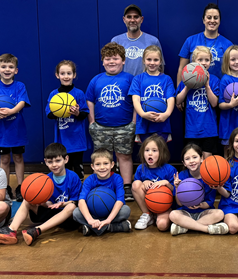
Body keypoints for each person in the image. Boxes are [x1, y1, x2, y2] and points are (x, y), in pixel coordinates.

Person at [0, 143, 82, 246]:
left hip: (67, 217)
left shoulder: (73, 177)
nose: (54, 165)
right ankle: (11, 230)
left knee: (71, 207)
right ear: (45, 162)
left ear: (66, 159)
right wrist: (45, 203)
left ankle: (37, 231)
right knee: (28, 199)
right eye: (50, 162)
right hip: (51, 212)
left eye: (58, 161)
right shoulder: (45, 179)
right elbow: (47, 201)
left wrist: (63, 204)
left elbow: (75, 202)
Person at [86, 42, 137, 201]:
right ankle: (104, 186)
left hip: (125, 126)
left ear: (123, 60)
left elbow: (137, 101)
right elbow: (90, 100)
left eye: (115, 58)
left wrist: (134, 122)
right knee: (103, 158)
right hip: (101, 127)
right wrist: (92, 122)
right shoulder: (96, 80)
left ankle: (126, 186)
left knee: (124, 156)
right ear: (102, 61)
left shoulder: (130, 79)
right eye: (108, 59)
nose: (111, 62)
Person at [0, 53, 31, 202]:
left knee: (18, 157)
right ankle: (5, 187)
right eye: (3, 67)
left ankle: (21, 187)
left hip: (16, 131)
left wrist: (12, 111)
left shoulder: (20, 86)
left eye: (10, 67)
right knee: (4, 159)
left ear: (16, 70)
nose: (7, 69)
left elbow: (22, 102)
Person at [168, 143, 229, 235]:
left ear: (201, 158)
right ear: (184, 163)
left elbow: (209, 203)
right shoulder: (181, 176)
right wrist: (177, 188)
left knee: (220, 213)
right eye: (187, 159)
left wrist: (200, 205)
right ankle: (206, 229)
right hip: (186, 212)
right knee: (172, 214)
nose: (191, 161)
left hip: (203, 212)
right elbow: (179, 203)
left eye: (194, 157)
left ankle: (186, 227)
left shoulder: (209, 176)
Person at [45, 60, 90, 179]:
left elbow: (85, 114)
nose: (66, 76)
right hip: (62, 140)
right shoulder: (54, 95)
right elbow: (49, 114)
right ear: (57, 75)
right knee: (65, 169)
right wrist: (59, 111)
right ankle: (66, 192)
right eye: (63, 73)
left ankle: (79, 192)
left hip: (77, 140)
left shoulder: (79, 93)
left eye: (69, 73)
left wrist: (77, 113)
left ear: (74, 75)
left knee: (77, 168)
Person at [176, 46, 222, 158]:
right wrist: (187, 87)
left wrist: (207, 86)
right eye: (200, 60)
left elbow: (215, 103)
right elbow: (177, 100)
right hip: (192, 129)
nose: (203, 63)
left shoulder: (215, 80)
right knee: (192, 158)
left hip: (209, 129)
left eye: (207, 60)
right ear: (193, 61)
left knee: (207, 160)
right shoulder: (186, 78)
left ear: (211, 62)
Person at [74, 149, 133, 235]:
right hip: (93, 214)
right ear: (92, 166)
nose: (102, 167)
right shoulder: (89, 180)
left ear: (112, 164)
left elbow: (120, 201)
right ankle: (111, 227)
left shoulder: (117, 178)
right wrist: (90, 220)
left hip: (111, 213)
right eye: (98, 164)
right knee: (76, 213)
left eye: (106, 163)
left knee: (126, 210)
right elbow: (81, 201)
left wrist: (108, 220)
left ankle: (94, 228)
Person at [130, 45, 176, 145]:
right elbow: (136, 100)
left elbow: (171, 99)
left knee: (161, 153)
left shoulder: (166, 79)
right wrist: (142, 114)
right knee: (146, 153)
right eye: (149, 59)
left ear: (160, 61)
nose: (152, 63)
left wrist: (166, 114)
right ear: (143, 60)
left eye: (156, 60)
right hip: (143, 124)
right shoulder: (137, 79)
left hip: (162, 123)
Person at [176, 3, 233, 82]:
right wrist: (179, 91)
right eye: (209, 17)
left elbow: (231, 71)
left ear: (219, 21)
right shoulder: (190, 41)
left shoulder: (227, 44)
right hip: (194, 90)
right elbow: (182, 68)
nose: (212, 21)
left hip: (217, 91)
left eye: (216, 18)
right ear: (203, 20)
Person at [130, 135, 177, 231]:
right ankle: (147, 214)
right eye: (147, 150)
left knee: (162, 226)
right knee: (136, 184)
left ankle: (161, 217)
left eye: (154, 150)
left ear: (162, 152)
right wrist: (144, 183)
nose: (150, 153)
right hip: (149, 205)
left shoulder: (170, 169)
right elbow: (136, 188)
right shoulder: (141, 168)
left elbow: (177, 192)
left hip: (165, 206)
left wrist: (167, 184)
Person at [111, 4, 162, 76]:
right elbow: (111, 66)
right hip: (124, 84)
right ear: (124, 19)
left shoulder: (153, 41)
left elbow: (160, 67)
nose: (132, 20)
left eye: (136, 17)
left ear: (141, 19)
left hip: (145, 85)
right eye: (129, 17)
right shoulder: (116, 41)